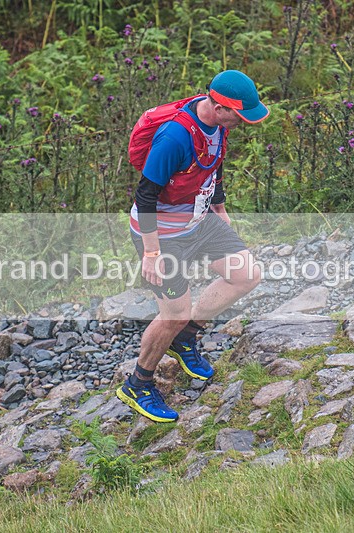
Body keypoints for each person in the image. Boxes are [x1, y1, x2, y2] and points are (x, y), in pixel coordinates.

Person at [116, 70, 269, 422]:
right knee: (174, 311)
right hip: (162, 233)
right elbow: (146, 194)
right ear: (218, 107)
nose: (242, 123)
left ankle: (186, 338)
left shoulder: (218, 127)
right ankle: (138, 383)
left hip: (199, 219)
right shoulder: (175, 136)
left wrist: (220, 210)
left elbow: (212, 169)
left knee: (246, 275)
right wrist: (152, 253)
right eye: (239, 116)